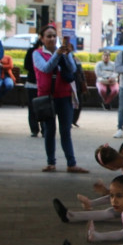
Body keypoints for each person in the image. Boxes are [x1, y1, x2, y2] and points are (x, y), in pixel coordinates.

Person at [33, 25, 88, 174]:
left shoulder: (63, 52)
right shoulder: (37, 54)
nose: (51, 39)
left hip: (64, 96)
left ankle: (71, 163)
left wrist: (67, 54)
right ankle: (51, 163)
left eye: (53, 36)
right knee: (49, 131)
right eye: (48, 36)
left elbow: (72, 69)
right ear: (42, 38)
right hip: (46, 97)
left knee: (66, 131)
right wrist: (57, 54)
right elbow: (46, 68)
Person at [23, 40, 44, 137]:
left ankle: (45, 129)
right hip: (32, 82)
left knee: (44, 107)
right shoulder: (31, 51)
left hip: (44, 83)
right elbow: (26, 65)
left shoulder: (50, 53)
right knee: (32, 107)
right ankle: (34, 129)